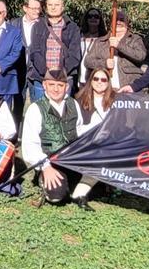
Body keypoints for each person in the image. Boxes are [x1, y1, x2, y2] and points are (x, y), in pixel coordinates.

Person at [24, 69, 99, 210]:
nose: (56, 89)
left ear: (67, 87)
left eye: (60, 85)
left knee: (100, 163)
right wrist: (46, 167)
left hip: (72, 158)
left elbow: (79, 130)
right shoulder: (35, 109)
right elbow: (30, 145)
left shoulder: (73, 103)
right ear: (44, 85)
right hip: (50, 161)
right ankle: (44, 178)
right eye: (52, 85)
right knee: (56, 196)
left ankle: (77, 191)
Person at [27, 0, 82, 100]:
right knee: (41, 111)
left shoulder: (72, 27)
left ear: (63, 7)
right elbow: (34, 51)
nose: (53, 7)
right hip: (42, 78)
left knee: (62, 113)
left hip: (64, 78)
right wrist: (46, 71)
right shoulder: (38, 26)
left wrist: (61, 71)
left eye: (56, 5)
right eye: (50, 5)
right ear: (46, 7)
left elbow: (75, 54)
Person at [82, 10, 146, 93]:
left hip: (128, 89)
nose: (118, 22)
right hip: (105, 90)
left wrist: (119, 45)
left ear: (127, 22)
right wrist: (104, 63)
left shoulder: (135, 39)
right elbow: (88, 61)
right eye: (116, 19)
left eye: (122, 19)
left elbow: (141, 56)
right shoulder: (100, 41)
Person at [16, 0, 42, 92]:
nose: (37, 11)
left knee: (38, 104)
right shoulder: (13, 24)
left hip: (36, 72)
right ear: (25, 8)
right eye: (33, 8)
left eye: (38, 8)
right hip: (18, 71)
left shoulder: (44, 25)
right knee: (18, 104)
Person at [77, 8, 106, 85]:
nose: (93, 18)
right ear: (86, 19)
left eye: (96, 16)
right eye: (90, 16)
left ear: (100, 20)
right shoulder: (79, 36)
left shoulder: (104, 38)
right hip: (78, 77)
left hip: (95, 78)